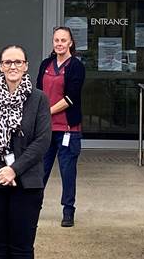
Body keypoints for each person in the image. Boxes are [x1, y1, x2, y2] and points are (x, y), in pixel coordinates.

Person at [0, 45, 52, 259]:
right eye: (8, 62)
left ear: (26, 66)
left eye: (18, 62)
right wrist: (0, 170)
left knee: (22, 249)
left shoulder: (39, 99)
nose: (13, 66)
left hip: (27, 183)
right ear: (0, 66)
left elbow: (43, 140)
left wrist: (14, 170)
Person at [37, 26, 85, 227]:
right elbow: (38, 92)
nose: (59, 44)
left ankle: (68, 210)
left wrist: (47, 112)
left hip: (67, 129)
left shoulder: (76, 66)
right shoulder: (46, 64)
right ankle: (32, 207)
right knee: (40, 170)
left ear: (70, 43)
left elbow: (71, 97)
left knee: (67, 171)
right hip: (46, 130)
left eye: (63, 40)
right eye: (56, 40)